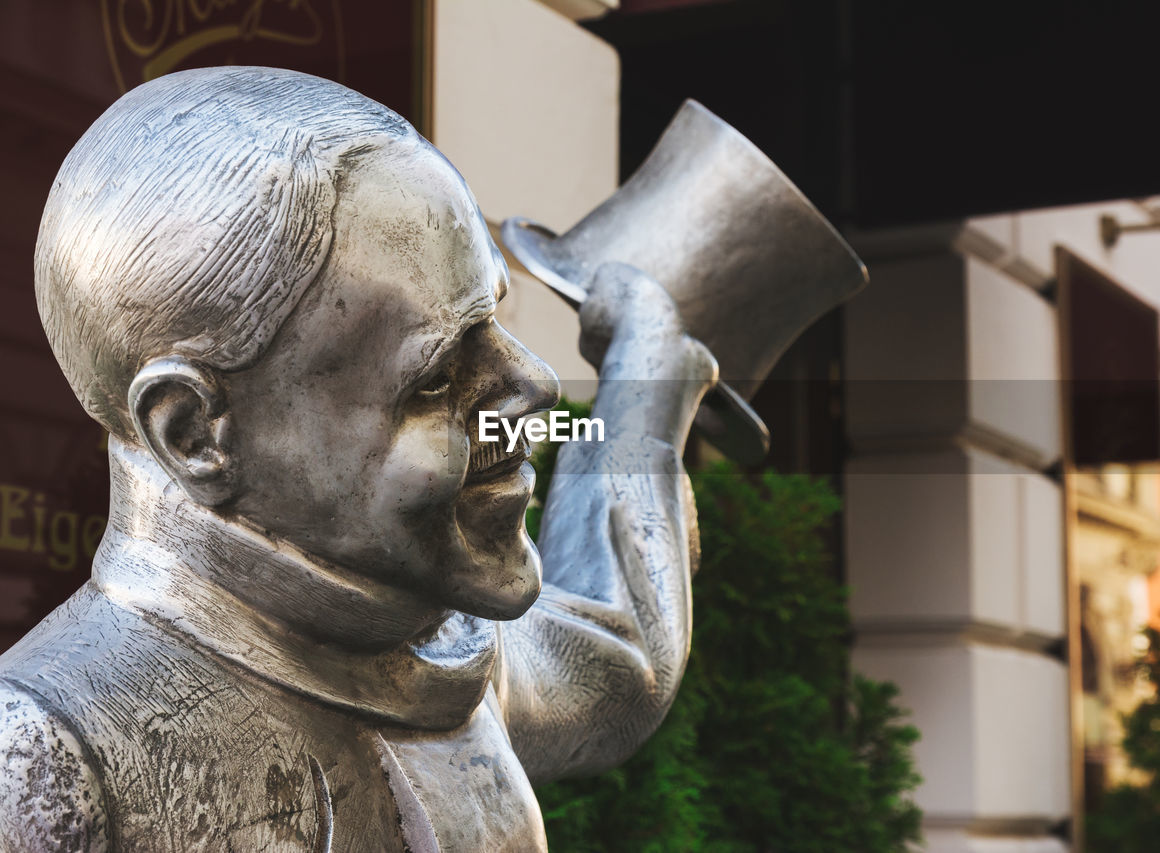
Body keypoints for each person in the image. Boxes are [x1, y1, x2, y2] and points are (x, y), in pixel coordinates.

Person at [0, 66, 716, 852]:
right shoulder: (48, 760)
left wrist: (648, 375)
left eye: (494, 322)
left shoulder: (436, 644)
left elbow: (615, 660)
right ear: (195, 433)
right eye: (437, 378)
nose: (534, 383)